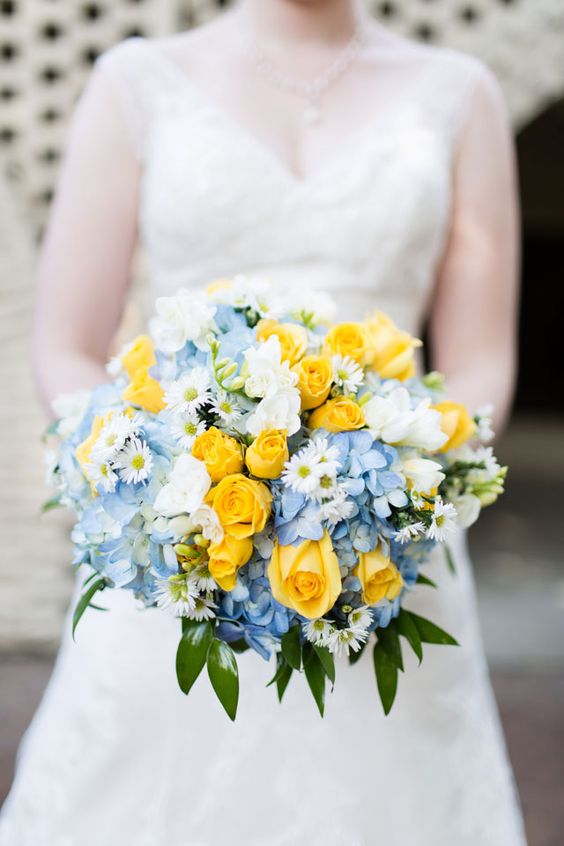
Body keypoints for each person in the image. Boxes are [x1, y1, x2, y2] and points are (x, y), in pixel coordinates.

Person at [0, 1, 527, 843]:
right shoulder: (138, 82)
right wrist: (166, 480)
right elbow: (66, 346)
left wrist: (395, 489)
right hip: (181, 533)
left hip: (387, 542)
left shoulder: (459, 93)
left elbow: (480, 361)